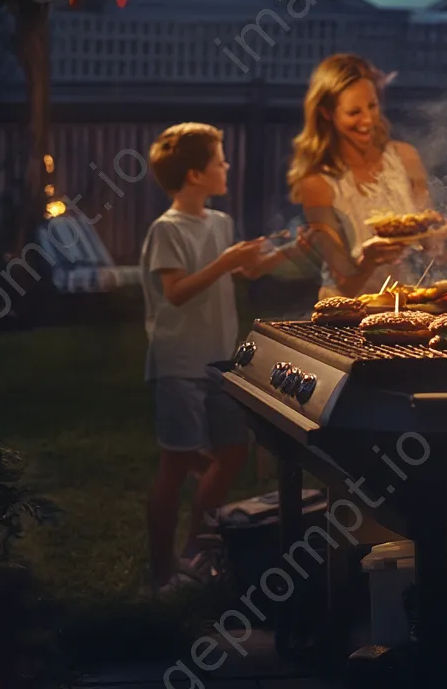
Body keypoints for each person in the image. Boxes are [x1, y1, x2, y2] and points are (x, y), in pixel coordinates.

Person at [141, 122, 291, 593]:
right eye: (220, 161)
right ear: (193, 174)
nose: (228, 166)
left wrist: (289, 249)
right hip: (179, 363)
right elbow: (177, 292)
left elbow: (245, 270)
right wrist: (224, 263)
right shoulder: (166, 230)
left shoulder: (221, 223)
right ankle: (161, 574)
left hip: (220, 362)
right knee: (176, 462)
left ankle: (195, 551)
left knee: (231, 453)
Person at [287, 53, 446, 298]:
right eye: (354, 112)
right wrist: (368, 260)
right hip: (345, 310)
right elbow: (343, 285)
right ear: (328, 114)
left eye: (372, 106)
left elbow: (430, 245)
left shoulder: (405, 157)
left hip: (401, 301)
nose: (368, 120)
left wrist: (437, 239)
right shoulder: (317, 184)